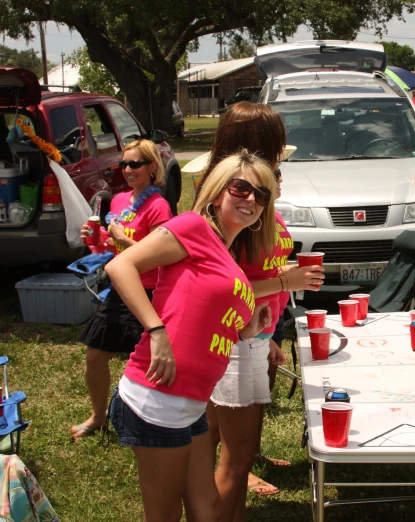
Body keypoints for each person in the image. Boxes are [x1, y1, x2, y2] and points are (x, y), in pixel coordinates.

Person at [106, 152, 274, 522]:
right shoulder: (194, 228)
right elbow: (120, 266)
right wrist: (156, 330)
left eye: (261, 195)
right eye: (241, 188)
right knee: (165, 515)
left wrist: (248, 327)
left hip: (192, 403)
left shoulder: (227, 256)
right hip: (158, 398)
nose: (251, 200)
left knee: (208, 509)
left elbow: (210, 323)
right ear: (217, 192)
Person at [198, 102, 324, 517]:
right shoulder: (236, 203)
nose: (280, 155)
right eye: (274, 144)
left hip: (249, 336)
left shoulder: (244, 195)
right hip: (233, 339)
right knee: (237, 456)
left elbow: (250, 270)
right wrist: (287, 281)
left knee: (224, 448)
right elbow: (223, 284)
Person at [72, 139, 172, 440]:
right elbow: (112, 247)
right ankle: (98, 416)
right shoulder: (119, 201)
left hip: (149, 293)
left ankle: (153, 423)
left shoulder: (159, 207)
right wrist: (97, 238)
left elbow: (162, 254)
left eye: (135, 164)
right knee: (95, 354)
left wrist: (123, 240)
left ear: (152, 167)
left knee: (147, 363)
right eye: (123, 164)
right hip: (120, 289)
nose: (127, 170)